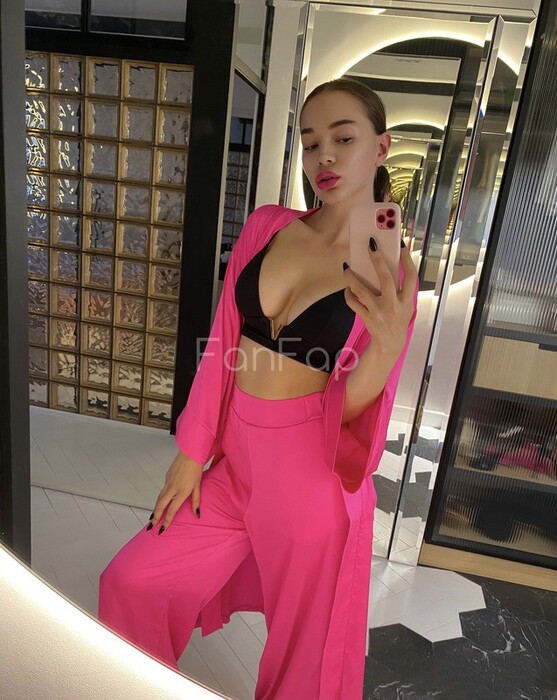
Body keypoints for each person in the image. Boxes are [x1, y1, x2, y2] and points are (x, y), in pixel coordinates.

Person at [98, 78, 419, 700]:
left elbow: (355, 409)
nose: (324, 156)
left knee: (305, 665)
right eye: (311, 142)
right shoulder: (269, 225)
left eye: (344, 139)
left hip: (309, 479)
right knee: (132, 581)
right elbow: (223, 338)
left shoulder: (387, 264)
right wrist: (191, 451)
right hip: (234, 462)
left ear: (381, 147)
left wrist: (385, 346)